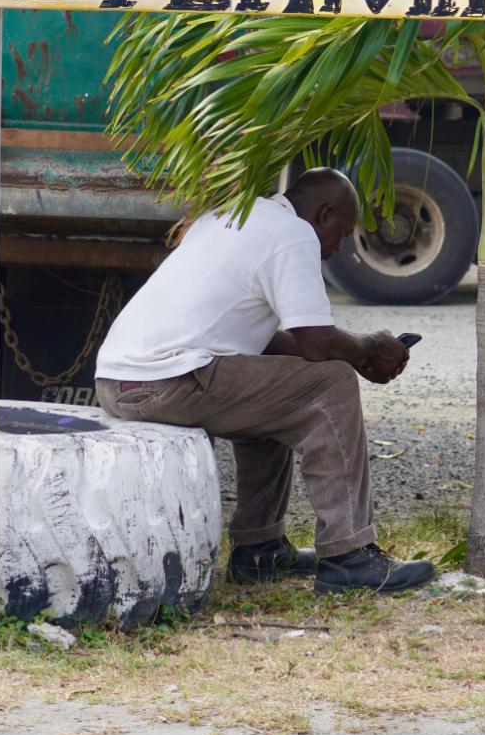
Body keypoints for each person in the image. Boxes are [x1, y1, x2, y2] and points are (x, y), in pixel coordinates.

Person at [94, 168, 437, 595]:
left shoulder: (232, 214)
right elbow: (317, 343)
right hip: (169, 380)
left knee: (281, 391)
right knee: (330, 383)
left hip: (121, 379)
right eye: (343, 232)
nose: (339, 247)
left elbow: (266, 342)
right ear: (323, 215)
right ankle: (349, 556)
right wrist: (368, 348)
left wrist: (358, 353)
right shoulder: (294, 234)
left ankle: (260, 550)